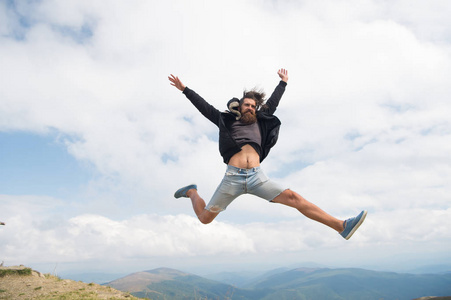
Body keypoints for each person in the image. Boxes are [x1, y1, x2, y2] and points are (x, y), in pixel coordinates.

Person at [168, 69, 367, 240]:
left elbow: (273, 102)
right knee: (204, 218)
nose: (250, 108)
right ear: (239, 105)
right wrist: (185, 90)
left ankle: (341, 226)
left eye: (254, 106)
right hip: (232, 178)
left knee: (294, 198)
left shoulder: (261, 122)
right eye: (247, 105)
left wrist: (283, 83)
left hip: (257, 177)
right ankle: (192, 192)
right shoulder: (226, 120)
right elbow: (204, 107)